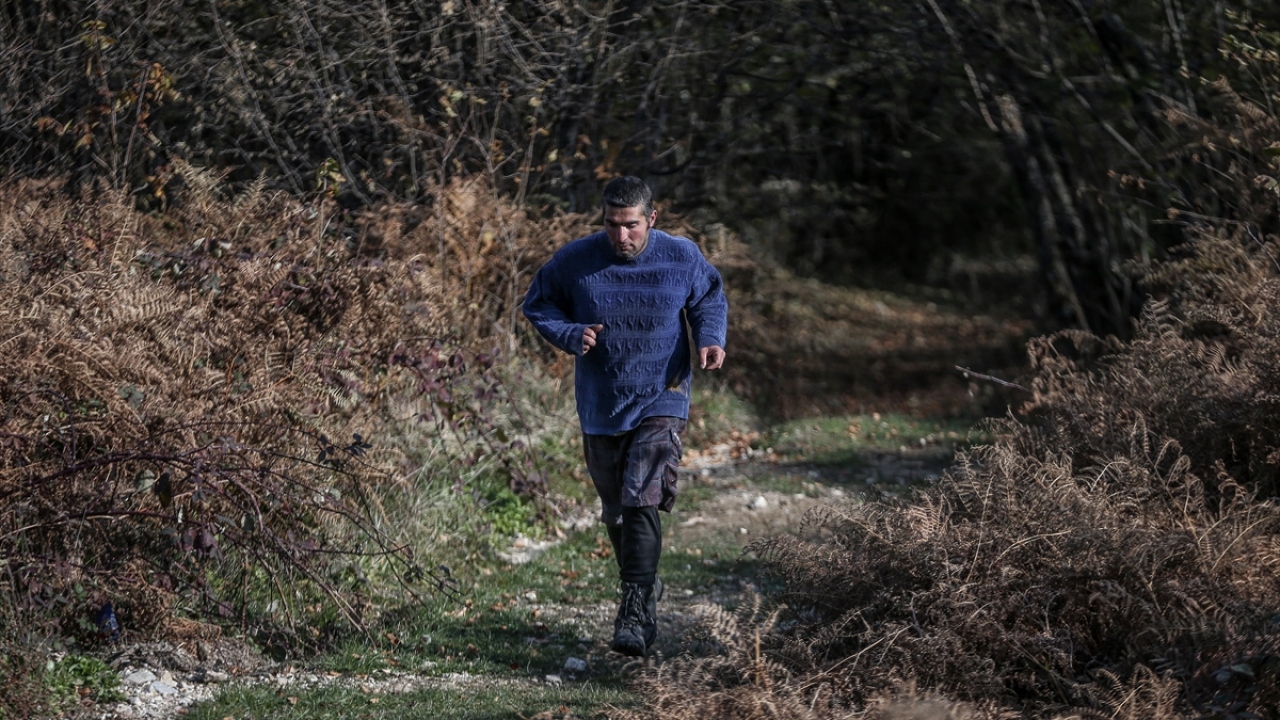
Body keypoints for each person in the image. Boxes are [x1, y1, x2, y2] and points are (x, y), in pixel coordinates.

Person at [523, 176, 728, 656]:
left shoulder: (680, 256)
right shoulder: (576, 260)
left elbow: (708, 297)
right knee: (616, 510)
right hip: (602, 401)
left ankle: (635, 610)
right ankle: (644, 580)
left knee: (642, 497)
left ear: (650, 219)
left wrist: (711, 337)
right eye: (612, 225)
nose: (622, 236)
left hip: (663, 395)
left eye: (631, 225)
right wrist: (570, 334)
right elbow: (539, 303)